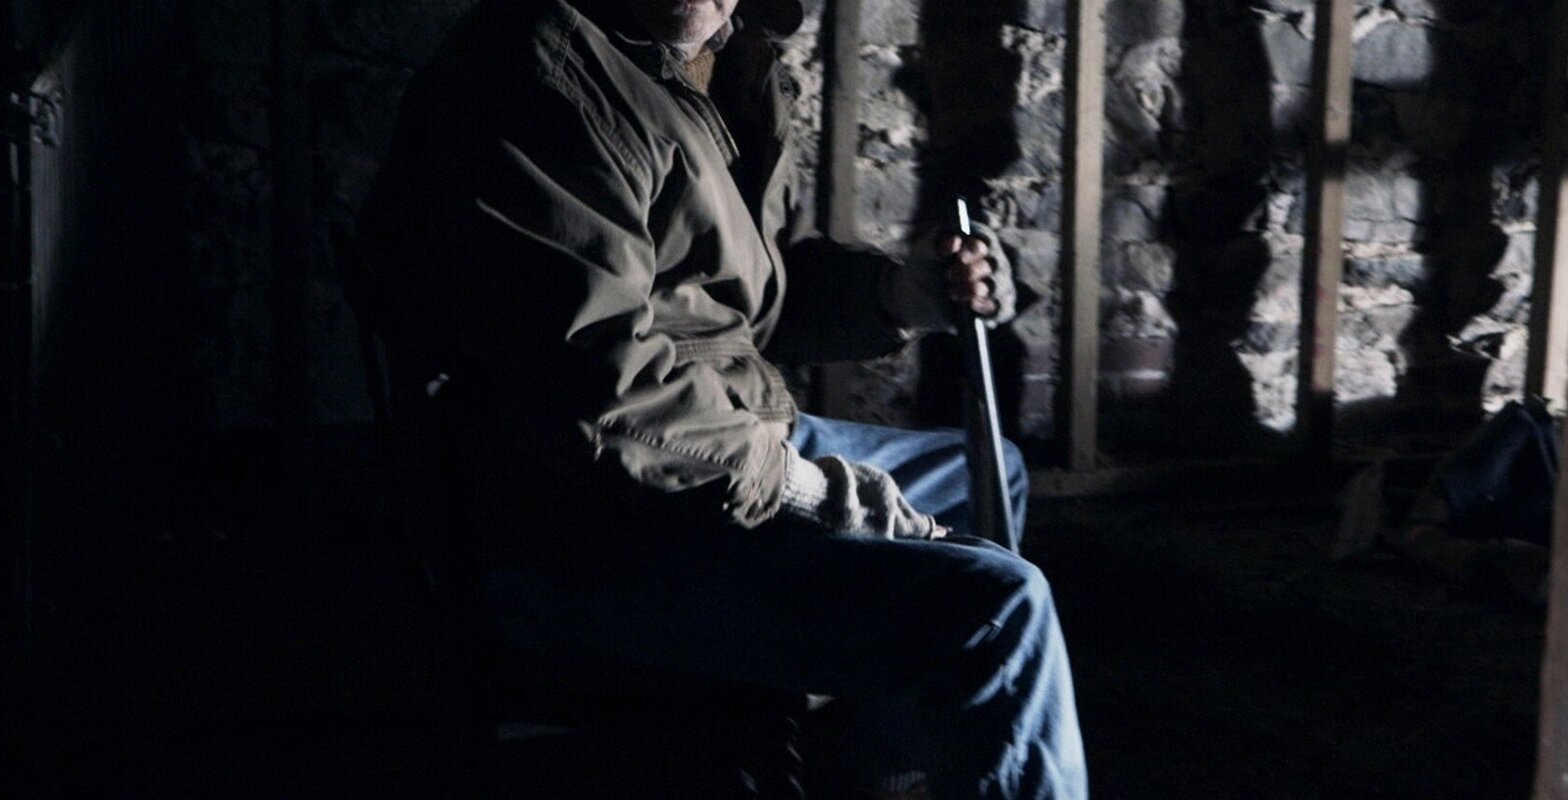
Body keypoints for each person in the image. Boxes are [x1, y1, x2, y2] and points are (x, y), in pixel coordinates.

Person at [355, 0, 1087, 797]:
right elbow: (594, 392)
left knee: (983, 473)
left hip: (705, 448)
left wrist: (897, 295)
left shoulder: (720, 57)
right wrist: (803, 487)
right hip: (585, 526)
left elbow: (742, 291)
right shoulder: (539, 75)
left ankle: (898, 773)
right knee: (998, 609)